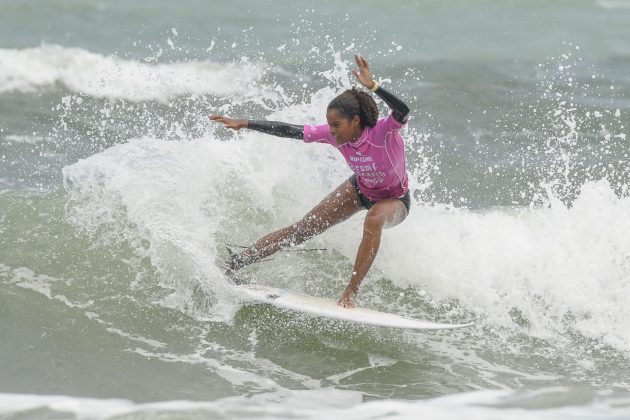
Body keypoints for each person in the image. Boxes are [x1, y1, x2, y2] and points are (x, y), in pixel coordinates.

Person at [209, 54, 410, 308]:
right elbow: (290, 130)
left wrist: (373, 86)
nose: (331, 130)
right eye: (329, 125)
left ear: (355, 121)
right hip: (361, 188)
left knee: (374, 218)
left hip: (395, 199)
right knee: (301, 229)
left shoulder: (383, 131)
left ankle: (350, 294)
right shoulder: (333, 134)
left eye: (336, 125)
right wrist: (246, 123)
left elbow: (403, 110)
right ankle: (234, 263)